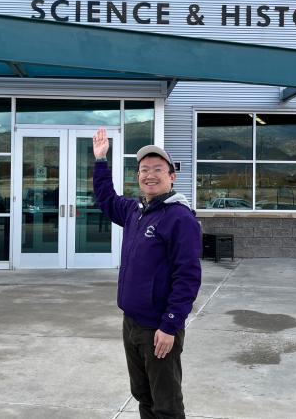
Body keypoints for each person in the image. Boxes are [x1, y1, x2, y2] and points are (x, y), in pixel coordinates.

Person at [92, 127, 202, 419]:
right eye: (144, 169)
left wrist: (169, 325)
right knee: (144, 395)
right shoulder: (135, 211)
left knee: (166, 403)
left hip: (158, 328)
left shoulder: (180, 218)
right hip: (131, 323)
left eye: (157, 169)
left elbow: (188, 276)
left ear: (171, 176)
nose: (149, 175)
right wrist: (101, 161)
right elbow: (106, 199)